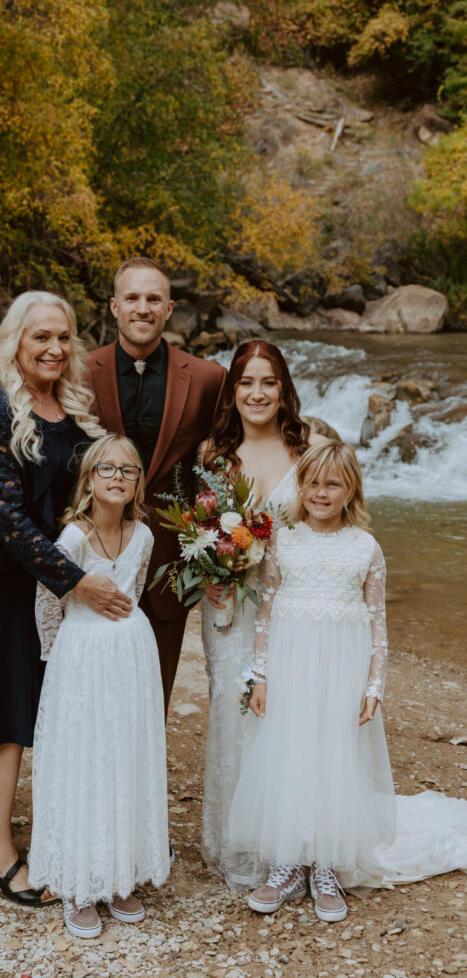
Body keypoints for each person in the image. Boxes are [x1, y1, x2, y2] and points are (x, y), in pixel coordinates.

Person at [0, 291, 132, 906]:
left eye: (63, 338)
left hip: (51, 586)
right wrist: (78, 581)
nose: (53, 349)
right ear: (15, 343)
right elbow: (4, 519)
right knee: (3, 718)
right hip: (5, 585)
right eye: (40, 338)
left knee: (24, 707)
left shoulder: (75, 408)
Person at [230, 440, 467, 921]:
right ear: (302, 486)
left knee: (333, 756)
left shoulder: (365, 547)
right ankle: (289, 862)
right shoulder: (285, 538)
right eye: (313, 483)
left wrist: (373, 686)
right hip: (291, 664)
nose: (321, 492)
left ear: (350, 489)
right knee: (292, 753)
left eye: (332, 484)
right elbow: (266, 611)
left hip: (342, 668)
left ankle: (326, 864)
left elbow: (378, 622)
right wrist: (260, 677)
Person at [29, 434, 169, 938]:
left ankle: (118, 873)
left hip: (131, 655)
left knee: (123, 755)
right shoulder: (73, 538)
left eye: (128, 471)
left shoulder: (145, 536)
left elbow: (134, 587)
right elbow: (48, 601)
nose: (117, 478)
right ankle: (77, 882)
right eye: (107, 469)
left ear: (138, 483)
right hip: (82, 655)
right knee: (85, 758)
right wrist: (57, 660)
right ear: (89, 479)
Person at [199, 340, 326, 890]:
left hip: (295, 605)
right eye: (246, 382)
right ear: (232, 390)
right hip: (229, 607)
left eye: (268, 382)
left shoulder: (311, 447)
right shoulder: (212, 456)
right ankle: (242, 844)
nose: (256, 393)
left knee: (290, 715)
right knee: (235, 710)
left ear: (283, 389)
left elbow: (337, 521)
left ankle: (293, 844)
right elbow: (200, 532)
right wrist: (214, 570)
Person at [86, 257, 226, 716]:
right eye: (132, 298)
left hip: (170, 562)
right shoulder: (81, 372)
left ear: (168, 308)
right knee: (88, 684)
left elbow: (228, 460)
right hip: (93, 557)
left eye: (152, 299)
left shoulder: (208, 379)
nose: (141, 308)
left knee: (152, 692)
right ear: (114, 306)